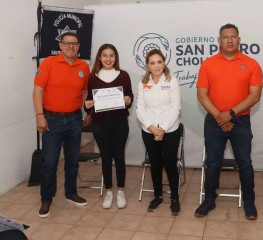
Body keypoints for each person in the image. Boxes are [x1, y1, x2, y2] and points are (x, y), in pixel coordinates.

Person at [195, 23, 263, 220]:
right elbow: (202, 94)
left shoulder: (251, 64)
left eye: (233, 36)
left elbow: (255, 96)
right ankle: (209, 200)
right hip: (213, 122)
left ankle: (249, 202)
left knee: (245, 163)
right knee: (213, 163)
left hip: (240, 122)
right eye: (226, 36)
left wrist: (230, 113)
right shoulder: (208, 63)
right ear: (219, 40)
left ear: (239, 40)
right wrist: (220, 116)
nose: (230, 40)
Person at [33, 32, 90, 218]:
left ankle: (71, 193)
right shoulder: (48, 63)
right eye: (67, 43)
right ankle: (46, 198)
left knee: (73, 160)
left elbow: (84, 91)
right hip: (52, 120)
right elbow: (38, 91)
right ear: (60, 45)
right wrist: (39, 116)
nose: (71, 47)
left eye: (74, 43)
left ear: (79, 46)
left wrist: (87, 111)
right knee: (50, 162)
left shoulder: (84, 66)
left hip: (74, 119)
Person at [84, 44, 133, 209]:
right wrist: (87, 104)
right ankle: (108, 192)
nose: (108, 59)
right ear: (99, 57)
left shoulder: (124, 75)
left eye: (112, 55)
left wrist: (128, 100)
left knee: (119, 157)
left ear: (116, 58)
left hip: (120, 123)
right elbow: (89, 102)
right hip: (100, 125)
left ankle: (120, 191)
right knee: (105, 158)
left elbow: (130, 95)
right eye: (104, 55)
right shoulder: (93, 77)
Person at [136, 49, 182, 216]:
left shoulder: (172, 81)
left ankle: (175, 199)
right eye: (152, 62)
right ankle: (157, 196)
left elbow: (175, 108)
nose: (156, 66)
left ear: (164, 63)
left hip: (170, 130)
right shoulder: (142, 83)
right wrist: (151, 127)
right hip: (149, 130)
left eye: (159, 62)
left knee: (170, 164)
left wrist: (162, 128)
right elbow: (140, 108)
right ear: (147, 65)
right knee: (155, 164)